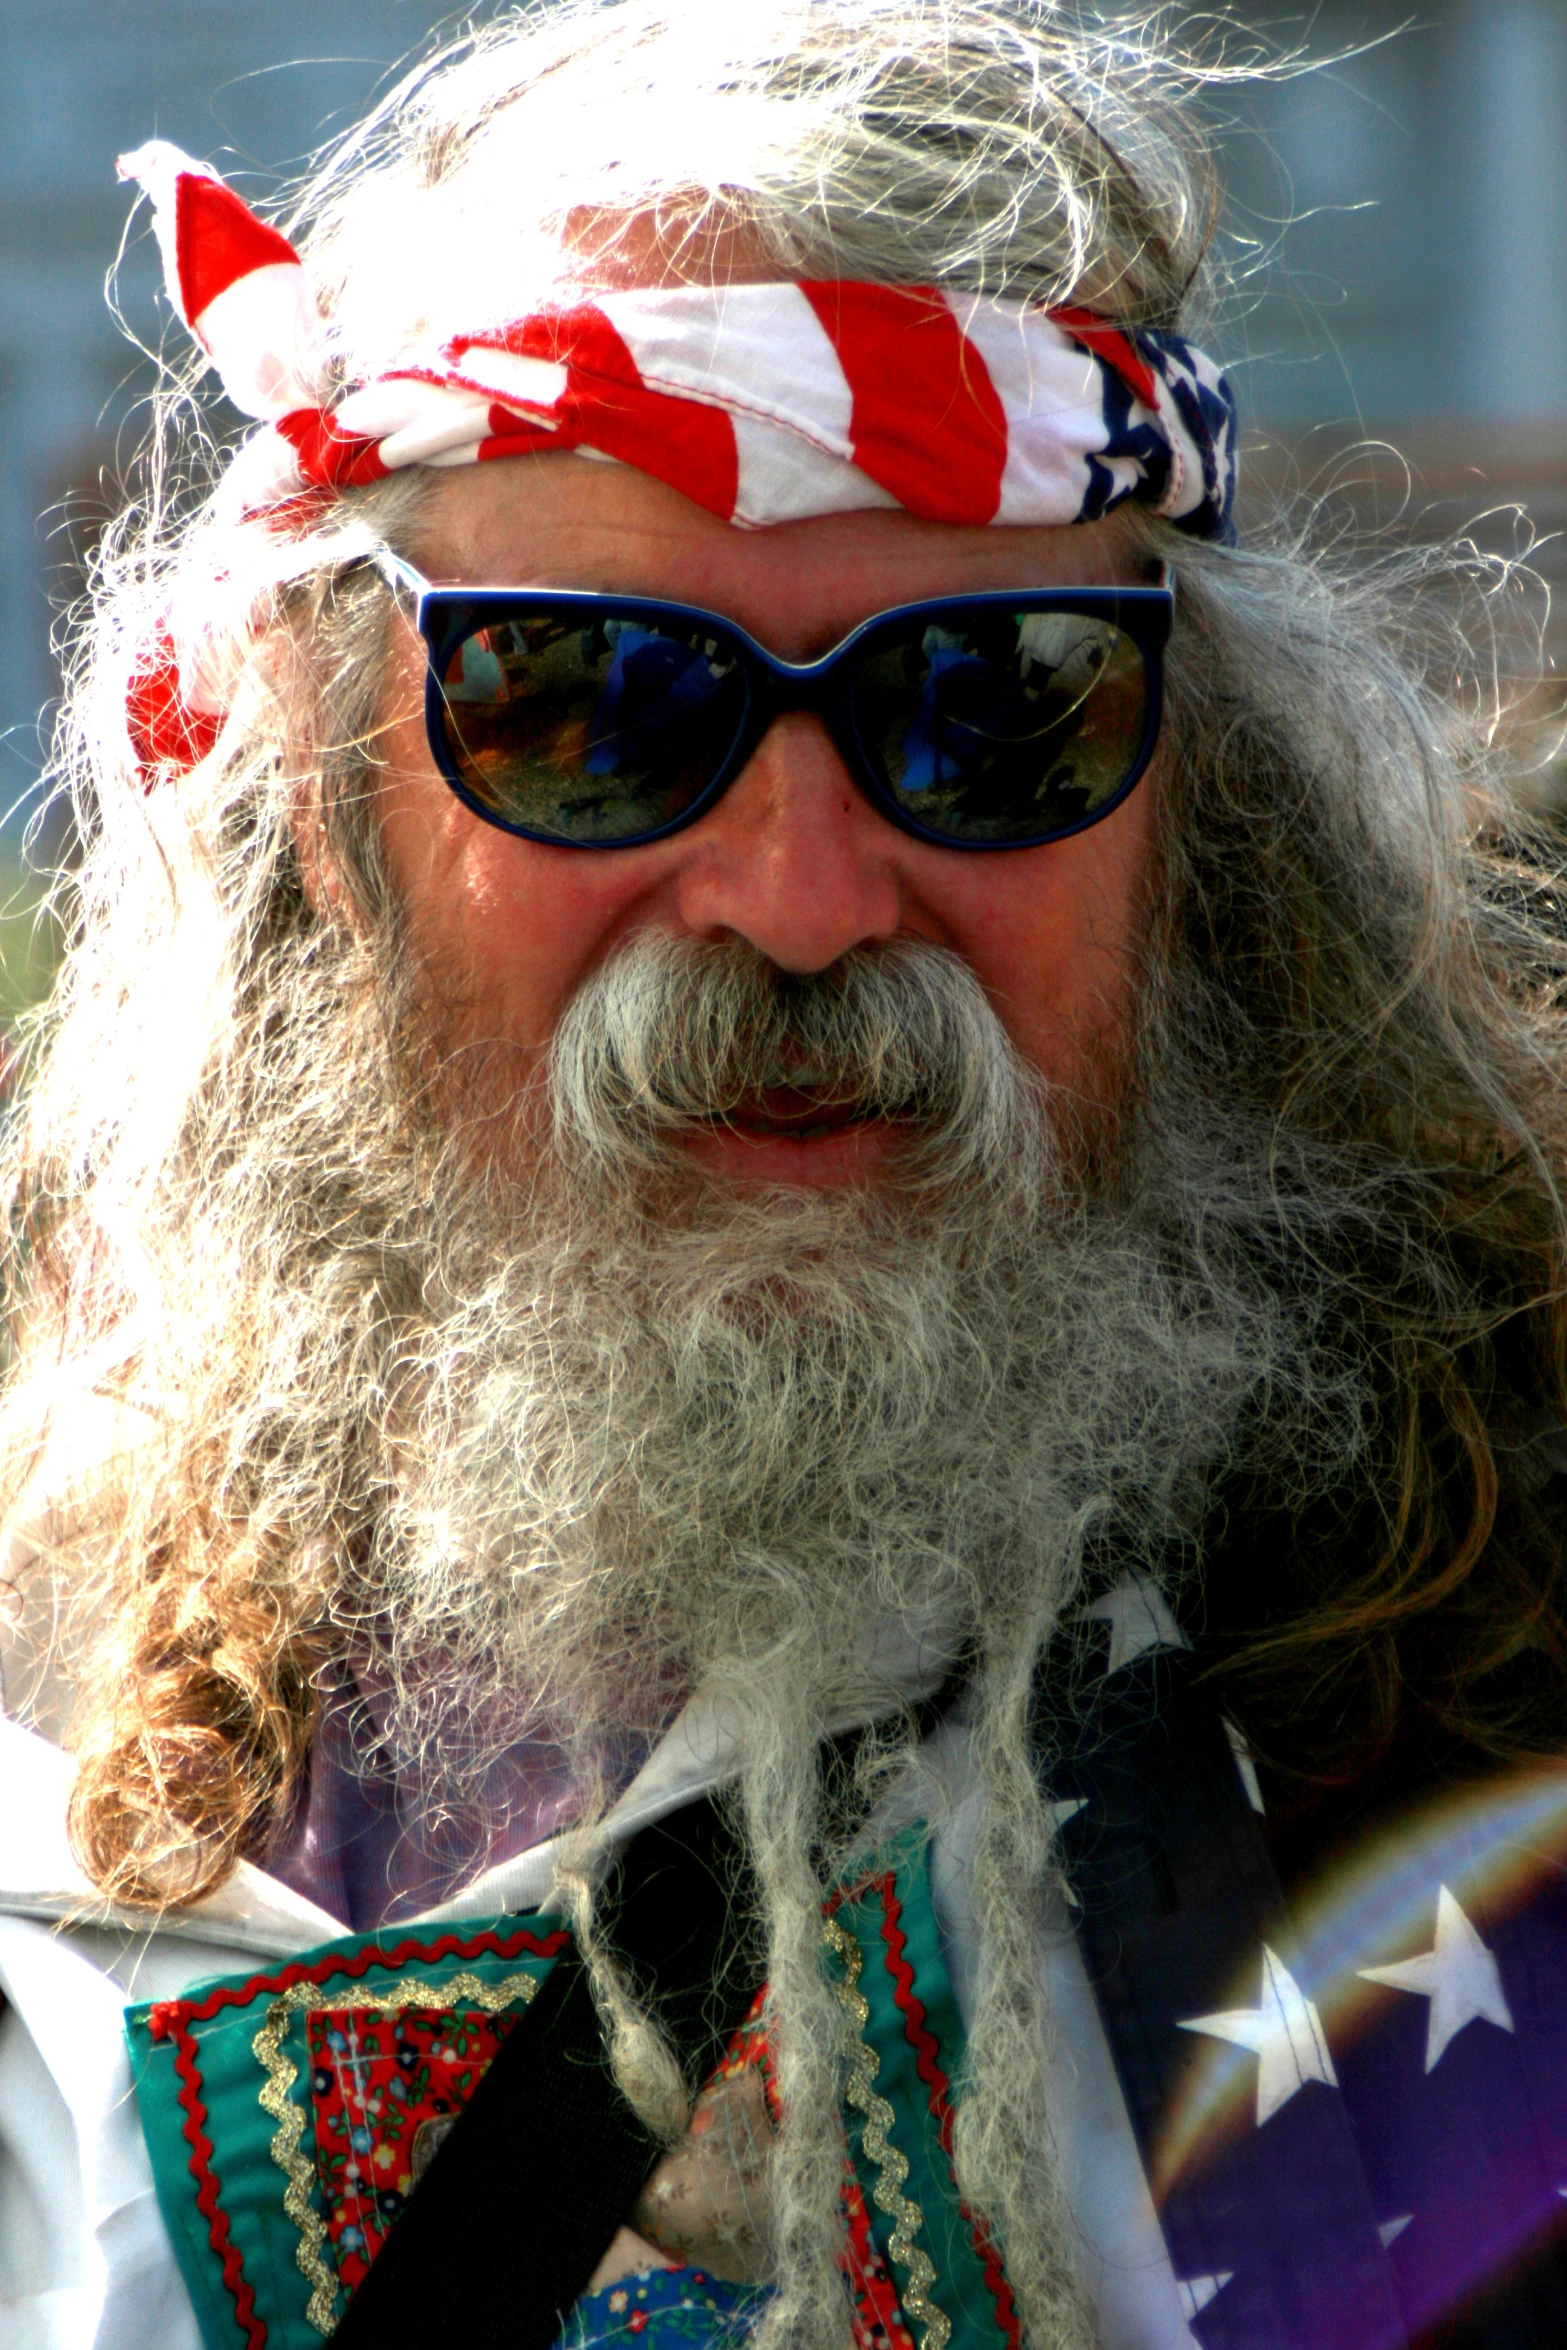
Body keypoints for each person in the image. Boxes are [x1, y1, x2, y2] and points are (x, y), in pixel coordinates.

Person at [1, 3, 1564, 2346]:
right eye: (584, 704)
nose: (806, 894)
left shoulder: (1487, 1722)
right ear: (325, 805)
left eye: (1001, 698)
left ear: (1195, 813)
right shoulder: (47, 1726)